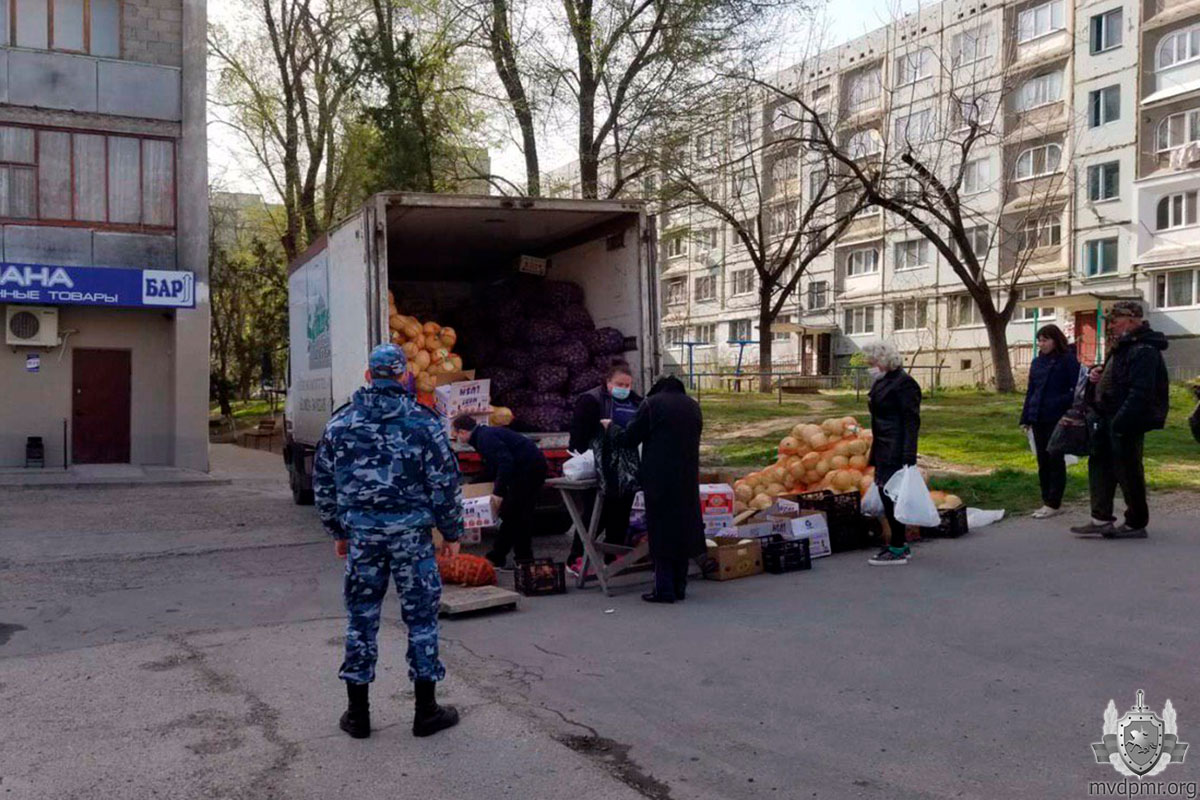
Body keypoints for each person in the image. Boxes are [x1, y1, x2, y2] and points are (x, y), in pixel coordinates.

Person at [313, 343, 463, 740]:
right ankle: (426, 712)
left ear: (368, 376)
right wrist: (452, 533)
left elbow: (323, 485)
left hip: (363, 538)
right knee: (422, 620)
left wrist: (337, 531)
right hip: (412, 539)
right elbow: (445, 484)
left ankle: (357, 715)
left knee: (361, 620)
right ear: (403, 376)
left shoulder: (340, 423)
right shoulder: (424, 423)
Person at [1071, 301, 1169, 539]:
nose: (1110, 326)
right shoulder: (1124, 345)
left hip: (1125, 421)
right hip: (1107, 416)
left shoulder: (1144, 349)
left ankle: (1136, 522)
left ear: (1132, 320)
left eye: (1115, 321)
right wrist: (1098, 372)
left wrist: (1121, 421)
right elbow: (1118, 376)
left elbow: (1141, 392)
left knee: (1128, 471)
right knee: (1100, 467)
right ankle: (1100, 519)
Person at [617, 375, 705, 603]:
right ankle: (680, 587)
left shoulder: (652, 404)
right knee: (682, 529)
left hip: (659, 478)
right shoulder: (693, 406)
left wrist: (611, 430)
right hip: (687, 477)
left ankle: (664, 590)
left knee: (662, 532)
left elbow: (629, 438)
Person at [566, 363, 644, 575]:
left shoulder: (636, 402)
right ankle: (577, 557)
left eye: (627, 385)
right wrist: (586, 459)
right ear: (608, 382)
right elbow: (578, 435)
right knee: (595, 513)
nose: (624, 389)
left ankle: (613, 554)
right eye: (619, 384)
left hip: (626, 468)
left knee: (621, 511)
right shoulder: (591, 400)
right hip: (599, 465)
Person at [450, 415, 548, 568]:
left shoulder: (485, 438)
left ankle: (500, 557)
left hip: (528, 470)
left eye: (455, 434)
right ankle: (522, 559)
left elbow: (505, 462)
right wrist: (472, 485)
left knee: (513, 514)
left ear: (462, 432)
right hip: (528, 468)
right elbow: (493, 468)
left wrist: (498, 493)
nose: (456, 438)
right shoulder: (483, 435)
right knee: (518, 516)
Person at [863, 340, 921, 567]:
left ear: (884, 360)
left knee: (892, 496)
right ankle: (899, 543)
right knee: (886, 494)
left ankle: (898, 546)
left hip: (895, 447)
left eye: (872, 362)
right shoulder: (883, 381)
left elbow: (911, 421)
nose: (870, 366)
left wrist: (909, 454)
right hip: (883, 444)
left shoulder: (904, 384)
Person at [1020, 324, 1081, 519]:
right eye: (1039, 340)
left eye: (1045, 340)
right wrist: (1026, 417)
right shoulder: (1037, 362)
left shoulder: (1068, 360)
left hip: (1058, 417)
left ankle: (1054, 502)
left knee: (1055, 459)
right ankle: (1046, 499)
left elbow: (1076, 388)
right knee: (1042, 460)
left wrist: (1061, 404)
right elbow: (1031, 391)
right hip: (1038, 417)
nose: (1041, 344)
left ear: (1055, 340)